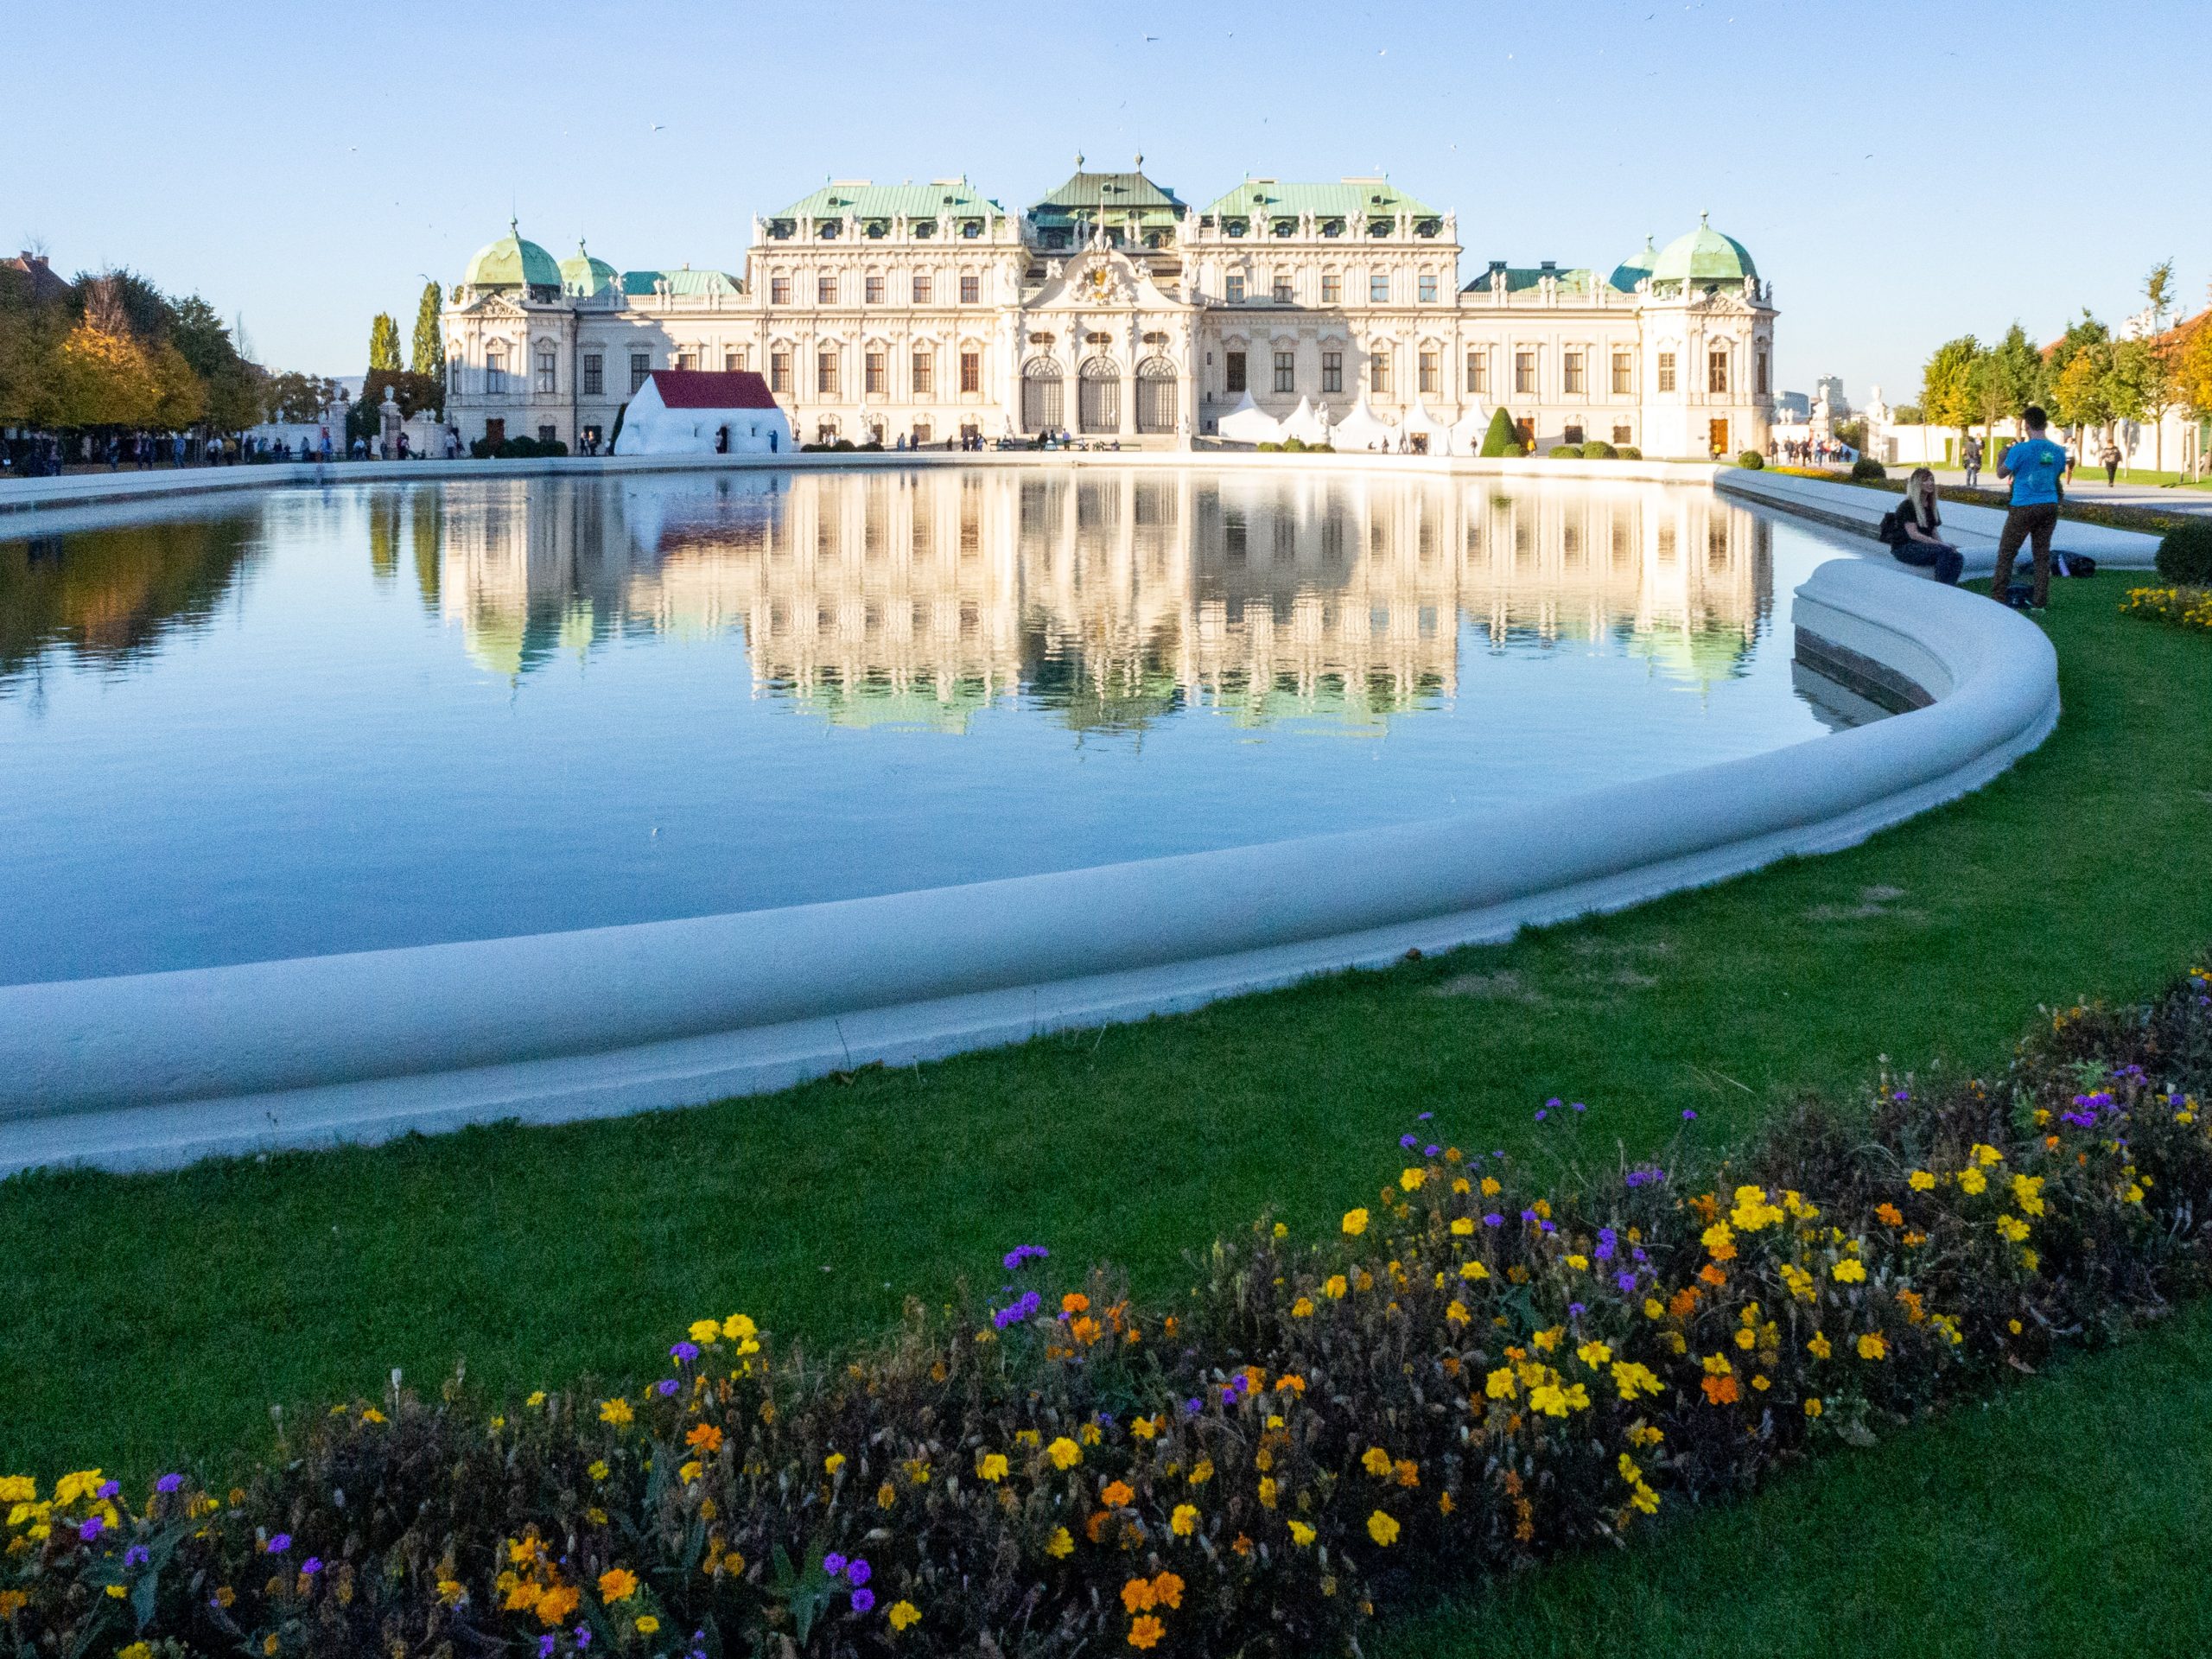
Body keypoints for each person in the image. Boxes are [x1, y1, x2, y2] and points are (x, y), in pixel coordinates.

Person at [1993, 405, 2068, 610]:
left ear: (2026, 425)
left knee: (2007, 552)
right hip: (2049, 504)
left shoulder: (2019, 450)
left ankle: (1998, 598)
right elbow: (2056, 474)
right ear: (2045, 424)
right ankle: (2039, 602)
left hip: (2023, 505)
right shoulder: (2058, 451)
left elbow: (2001, 473)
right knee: (2042, 555)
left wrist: (2001, 456)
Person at [1887, 467, 1964, 584]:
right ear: (1917, 484)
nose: (1930, 483)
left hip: (1923, 546)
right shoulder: (1908, 505)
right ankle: (1941, 587)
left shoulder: (1931, 506)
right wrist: (1942, 545)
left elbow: (1934, 531)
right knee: (1944, 552)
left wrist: (1946, 545)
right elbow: (1914, 535)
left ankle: (1950, 588)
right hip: (1905, 547)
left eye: (1932, 480)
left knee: (1957, 556)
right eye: (1925, 480)